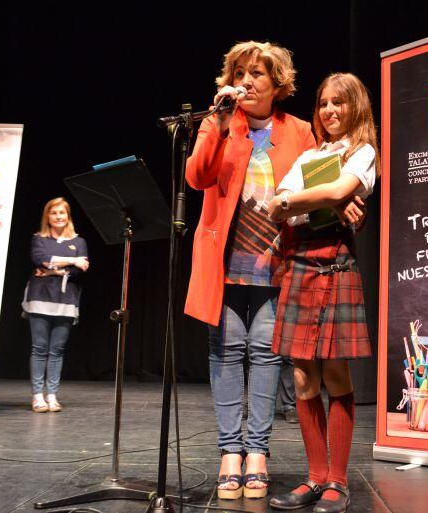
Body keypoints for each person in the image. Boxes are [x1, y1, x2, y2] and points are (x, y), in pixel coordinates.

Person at [185, 40, 325, 500]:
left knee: (266, 354)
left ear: (277, 83)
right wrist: (219, 124)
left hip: (276, 266)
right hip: (223, 266)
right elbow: (197, 176)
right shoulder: (219, 121)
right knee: (226, 351)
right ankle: (230, 452)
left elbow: (320, 189)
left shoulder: (300, 131)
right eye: (239, 72)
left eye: (257, 74)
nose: (245, 81)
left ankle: (258, 452)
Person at [266, 73, 378, 513]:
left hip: (334, 266)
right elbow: (277, 203)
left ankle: (337, 481)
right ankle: (314, 477)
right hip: (299, 266)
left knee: (334, 375)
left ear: (356, 107)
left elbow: (332, 191)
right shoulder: (310, 155)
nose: (330, 110)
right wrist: (323, 201)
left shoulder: (363, 152)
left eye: (340, 103)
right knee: (300, 377)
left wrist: (313, 199)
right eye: (324, 103)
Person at [21, 197, 89, 413]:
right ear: (47, 216)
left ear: (67, 216)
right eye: (54, 213)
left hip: (66, 300)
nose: (58, 216)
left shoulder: (79, 242)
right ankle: (37, 396)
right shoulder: (38, 238)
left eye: (62, 213)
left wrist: (52, 269)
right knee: (39, 348)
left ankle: (52, 395)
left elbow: (81, 269)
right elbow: (40, 258)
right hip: (40, 298)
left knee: (57, 350)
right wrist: (70, 261)